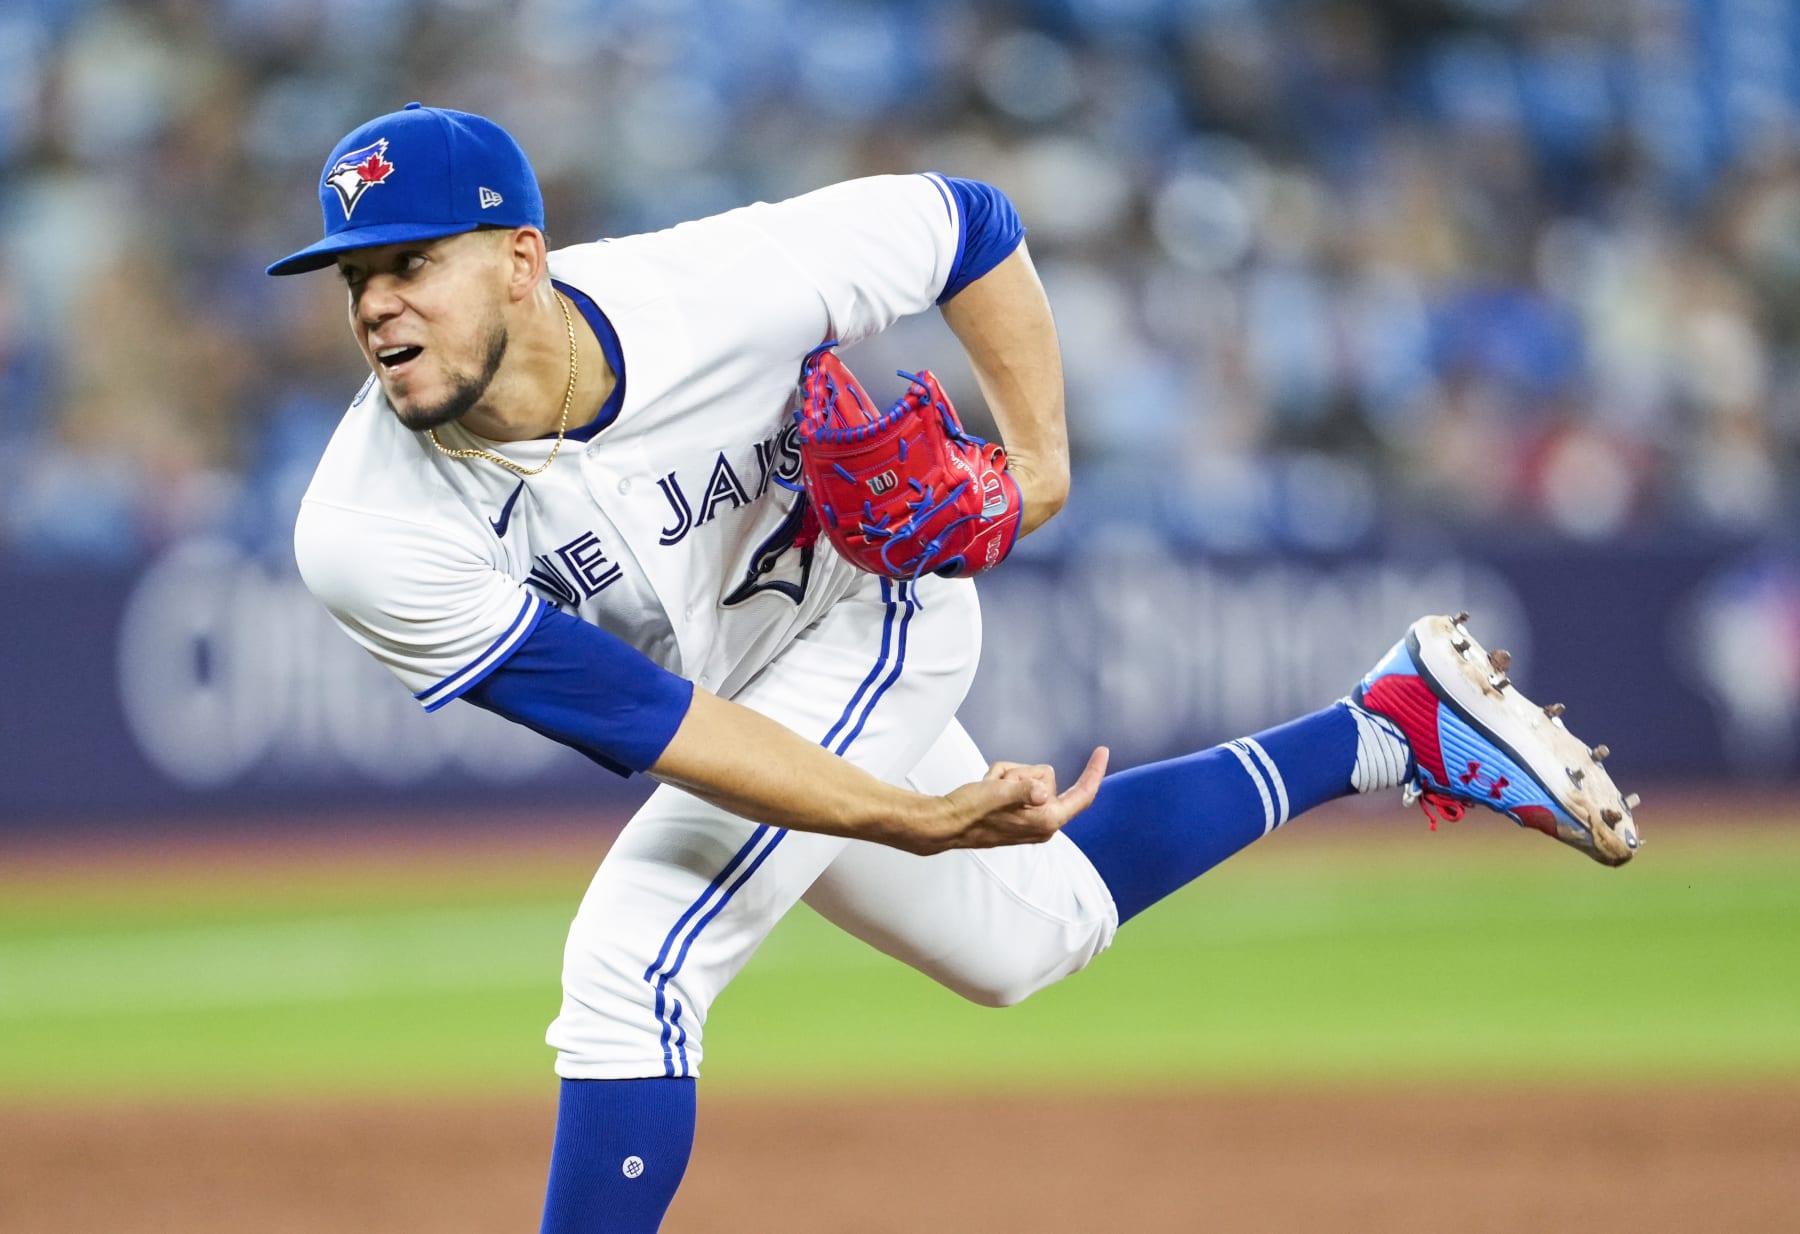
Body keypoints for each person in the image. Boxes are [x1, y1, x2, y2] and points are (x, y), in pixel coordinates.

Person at [268, 103, 1638, 1232]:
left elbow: (969, 224)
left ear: (519, 257)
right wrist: (903, 818)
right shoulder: (367, 529)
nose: (378, 306)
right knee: (1024, 938)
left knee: (632, 962)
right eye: (356, 277)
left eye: (412, 262)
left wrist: (1037, 469)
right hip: (734, 703)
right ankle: (1385, 725)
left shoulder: (721, 287)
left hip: (866, 623)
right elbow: (658, 720)